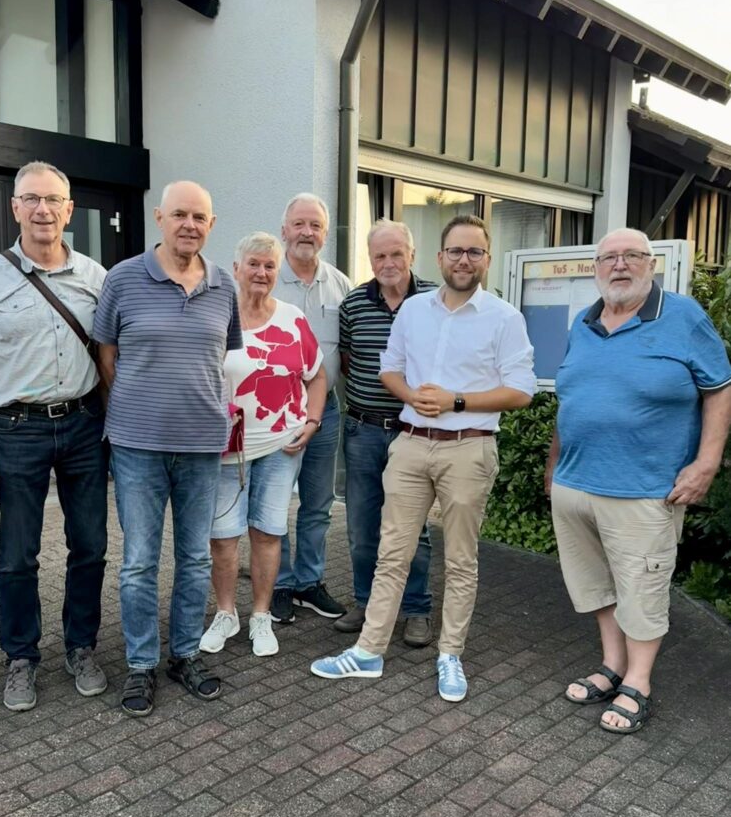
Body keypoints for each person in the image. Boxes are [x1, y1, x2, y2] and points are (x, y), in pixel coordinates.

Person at [311, 214, 534, 702]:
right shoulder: (414, 311)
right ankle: (369, 651)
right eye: (455, 251)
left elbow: (521, 390)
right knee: (392, 551)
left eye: (474, 251)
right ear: (440, 256)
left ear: (486, 259)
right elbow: (388, 368)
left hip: (469, 446)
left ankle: (450, 655)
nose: (463, 260)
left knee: (461, 559)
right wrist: (412, 395)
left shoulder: (504, 317)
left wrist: (457, 401)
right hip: (411, 443)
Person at [546, 227, 731, 734]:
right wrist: (554, 464)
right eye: (609, 257)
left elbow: (720, 389)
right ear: (596, 268)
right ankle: (612, 666)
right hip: (576, 484)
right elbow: (571, 398)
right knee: (597, 586)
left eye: (632, 255)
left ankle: (639, 682)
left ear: (652, 265)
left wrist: (706, 463)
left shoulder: (683, 316)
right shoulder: (583, 322)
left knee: (642, 591)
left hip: (644, 489)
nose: (620, 265)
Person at [0, 161, 109, 712]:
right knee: (17, 555)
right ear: (15, 207)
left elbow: (109, 358)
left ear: (70, 210)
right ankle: (21, 657)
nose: (43, 209)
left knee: (90, 546)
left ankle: (81, 646)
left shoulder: (96, 277)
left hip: (85, 424)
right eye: (31, 199)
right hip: (15, 429)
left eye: (53, 200)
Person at [94, 181, 241, 718]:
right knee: (139, 561)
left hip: (201, 445)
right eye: (179, 214)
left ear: (211, 224)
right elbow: (106, 357)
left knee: (196, 558)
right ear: (159, 217)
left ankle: (184, 655)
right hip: (137, 446)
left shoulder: (223, 285)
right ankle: (140, 663)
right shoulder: (123, 278)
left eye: (199, 217)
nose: (189, 225)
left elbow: (217, 357)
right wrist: (139, 407)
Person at [201, 232, 326, 658]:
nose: (261, 272)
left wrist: (313, 420)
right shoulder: (216, 316)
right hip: (225, 449)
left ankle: (260, 614)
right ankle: (225, 613)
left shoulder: (292, 319)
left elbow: (317, 375)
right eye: (253, 264)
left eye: (269, 265)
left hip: (280, 445)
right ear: (236, 269)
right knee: (223, 537)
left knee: (268, 531)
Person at [336, 219, 436, 647]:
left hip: (415, 432)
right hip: (363, 430)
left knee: (414, 528)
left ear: (412, 254)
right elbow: (347, 362)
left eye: (397, 253)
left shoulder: (436, 299)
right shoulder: (353, 304)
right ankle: (366, 602)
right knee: (361, 526)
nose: (389, 262)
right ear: (370, 258)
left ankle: (415, 609)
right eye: (380, 255)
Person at [271, 193, 352, 624]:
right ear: (284, 229)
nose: (307, 232)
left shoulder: (340, 285)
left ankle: (309, 582)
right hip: (274, 412)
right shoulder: (266, 276)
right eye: (299, 224)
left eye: (315, 225)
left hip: (326, 411)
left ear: (325, 233)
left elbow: (350, 351)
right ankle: (279, 584)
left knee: (318, 503)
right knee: (274, 503)